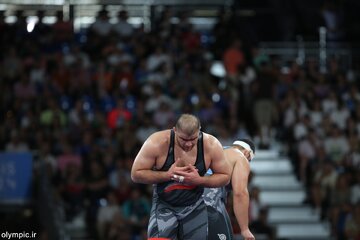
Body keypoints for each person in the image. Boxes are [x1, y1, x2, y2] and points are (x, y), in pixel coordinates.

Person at [131, 113, 231, 239]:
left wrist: (200, 180)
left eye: (193, 139)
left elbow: (225, 177)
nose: (188, 144)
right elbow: (136, 174)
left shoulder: (210, 144)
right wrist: (167, 175)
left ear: (199, 131)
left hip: (194, 205)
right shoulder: (157, 142)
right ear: (175, 131)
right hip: (165, 204)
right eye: (183, 139)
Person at [204, 139, 256, 240]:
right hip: (208, 204)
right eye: (249, 159)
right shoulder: (240, 156)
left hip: (184, 202)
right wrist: (245, 229)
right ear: (247, 152)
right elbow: (240, 193)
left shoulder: (213, 151)